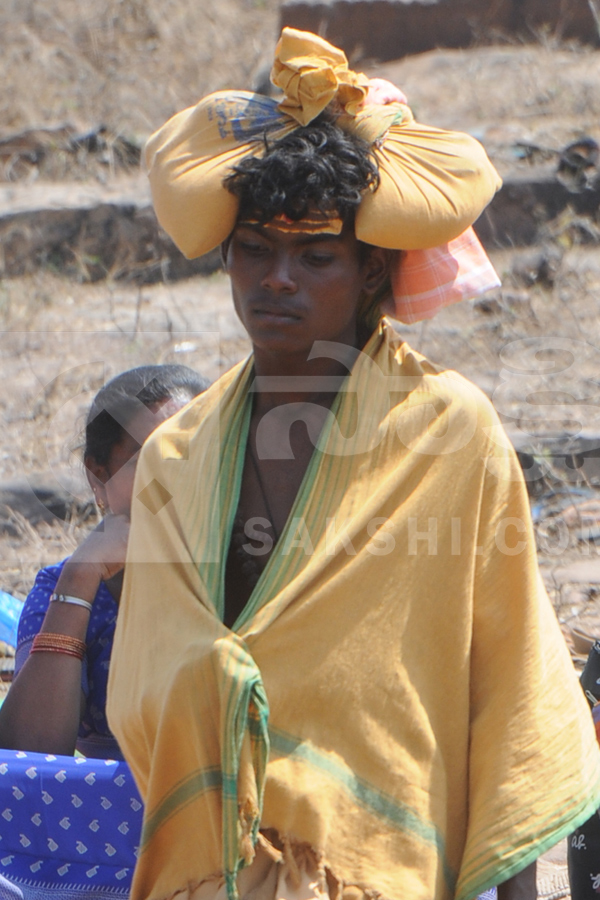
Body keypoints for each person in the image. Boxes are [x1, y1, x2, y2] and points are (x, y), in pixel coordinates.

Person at [106, 28, 600, 900]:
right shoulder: (176, 460)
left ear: (374, 274)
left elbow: (507, 689)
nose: (278, 280)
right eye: (256, 250)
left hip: (384, 872)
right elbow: (146, 695)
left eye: (316, 256)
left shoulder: (450, 432)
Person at [0, 364, 209, 759]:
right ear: (99, 476)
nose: (182, 476)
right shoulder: (67, 591)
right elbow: (26, 759)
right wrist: (79, 582)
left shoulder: (260, 571)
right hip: (114, 817)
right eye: (154, 457)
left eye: (199, 451)